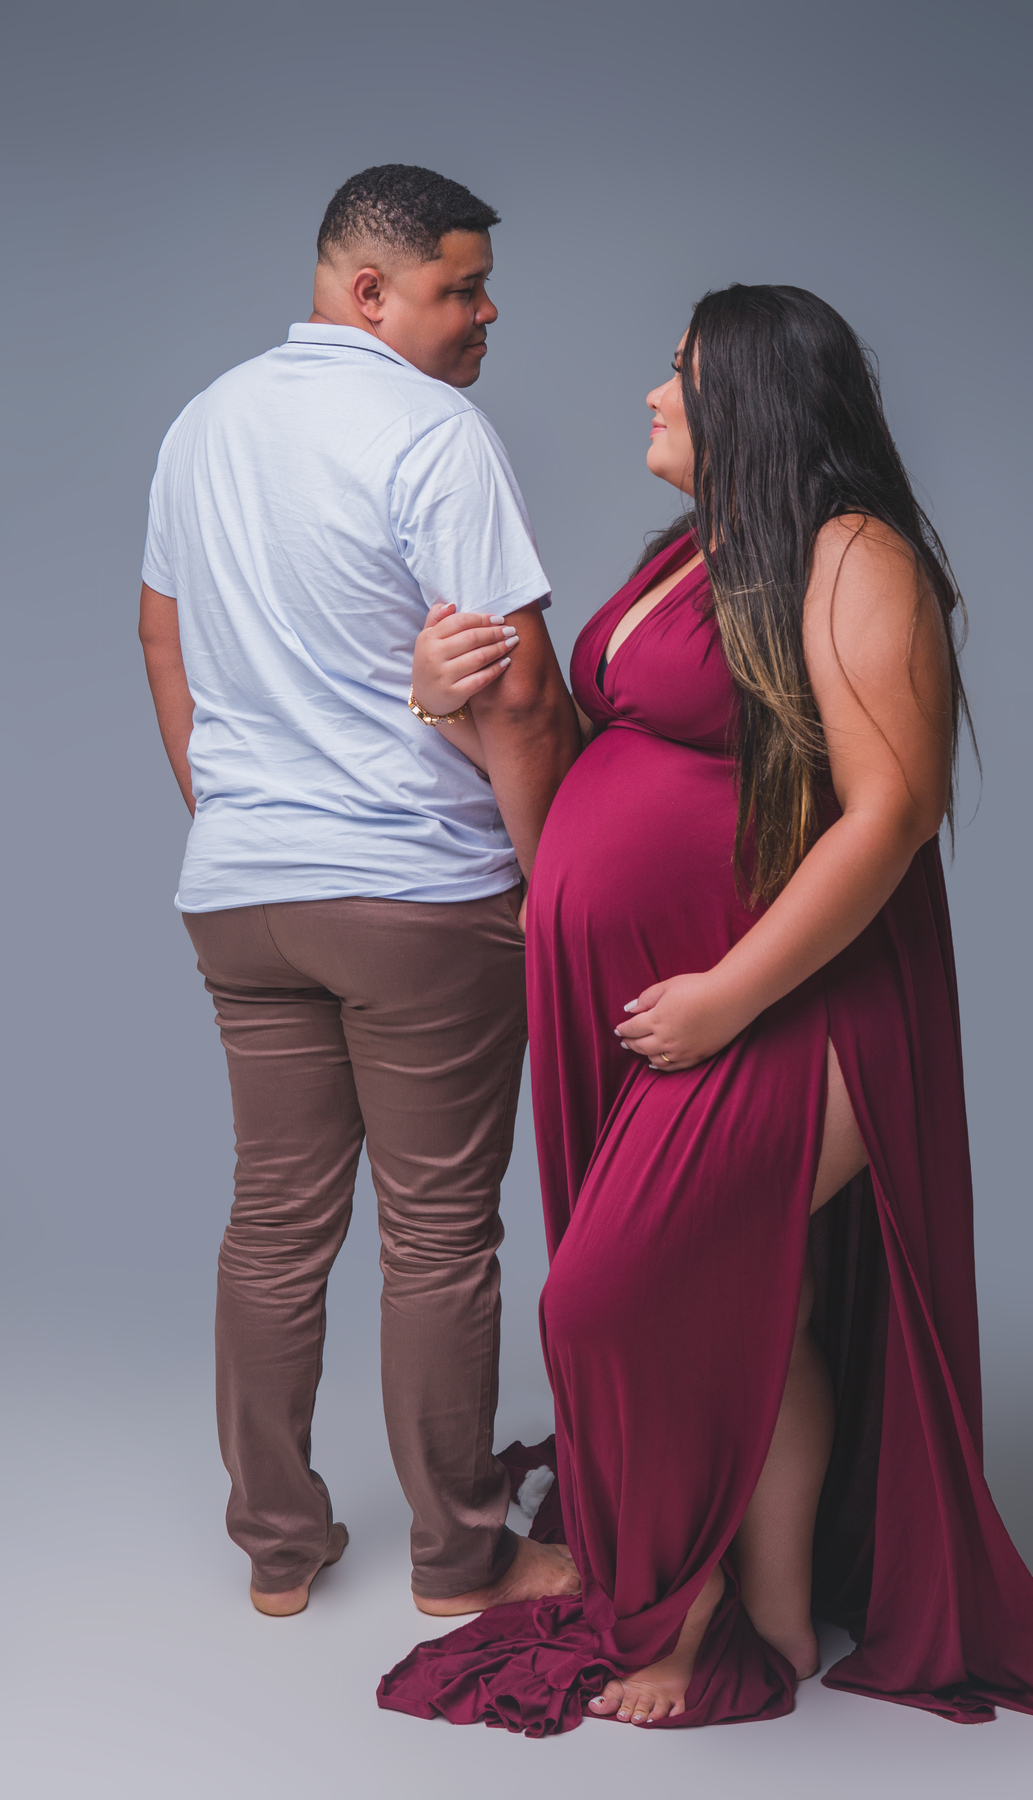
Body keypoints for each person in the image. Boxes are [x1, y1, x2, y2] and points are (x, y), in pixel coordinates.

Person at [377, 284, 1033, 1731]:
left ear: (753, 399)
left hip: (795, 998)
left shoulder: (857, 554)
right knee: (743, 1299)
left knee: (611, 1298)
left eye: (682, 375)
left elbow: (892, 814)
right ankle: (779, 1611)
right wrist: (452, 704)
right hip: (672, 991)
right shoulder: (696, 551)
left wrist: (722, 999)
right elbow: (597, 755)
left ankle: (686, 1610)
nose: (653, 394)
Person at [138, 163, 582, 1619]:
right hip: (418, 897)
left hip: (242, 893)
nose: (487, 313)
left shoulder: (203, 422)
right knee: (439, 1233)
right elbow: (520, 692)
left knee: (274, 1222)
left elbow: (161, 635)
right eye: (464, 288)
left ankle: (278, 1548)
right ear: (371, 290)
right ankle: (460, 1558)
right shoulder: (435, 432)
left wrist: (234, 813)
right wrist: (555, 883)